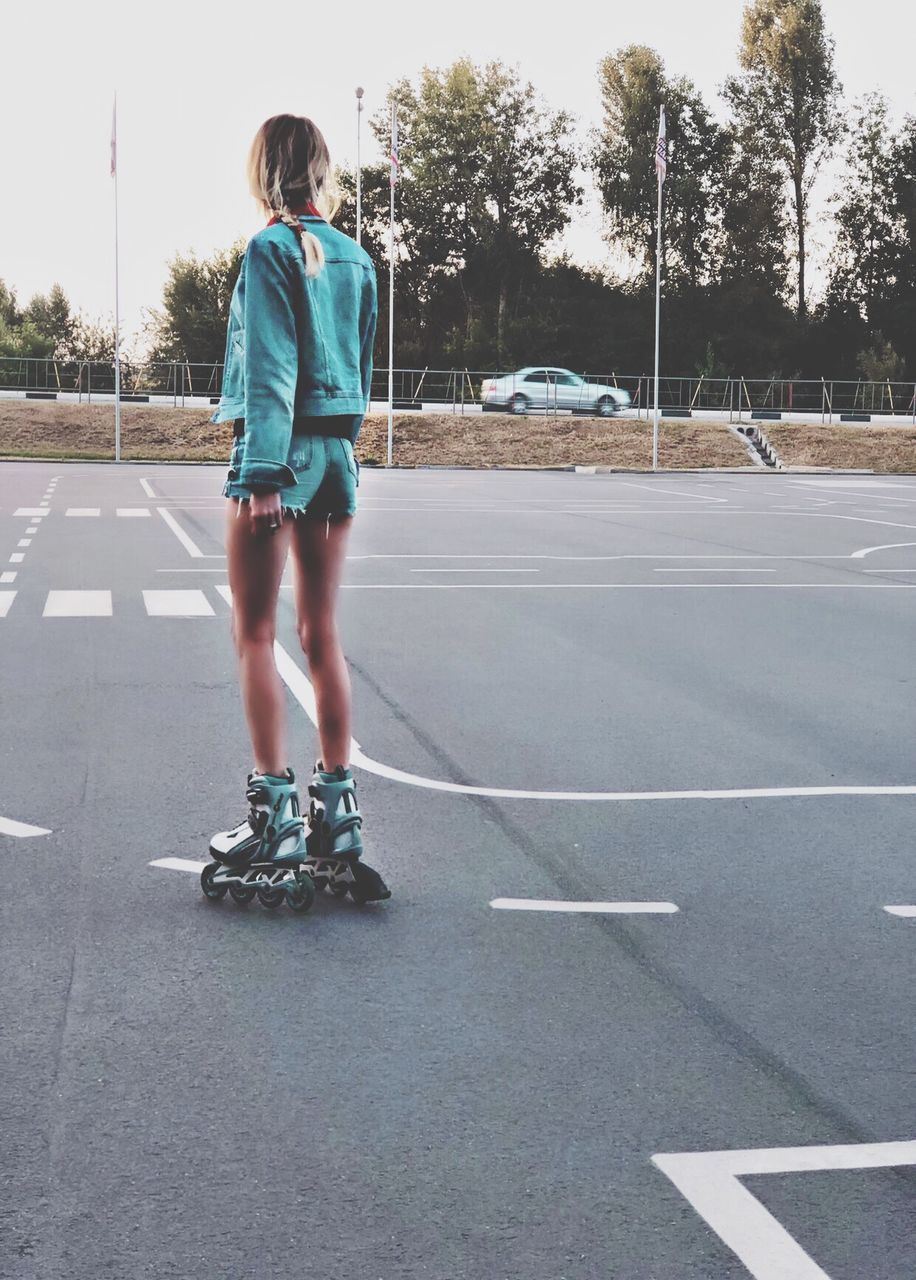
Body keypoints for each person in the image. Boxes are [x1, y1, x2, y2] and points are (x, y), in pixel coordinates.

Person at [207, 113, 389, 904]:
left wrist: (266, 476)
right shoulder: (357, 259)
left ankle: (274, 812)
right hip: (339, 457)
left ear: (264, 171)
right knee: (322, 634)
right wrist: (335, 453)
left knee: (254, 631)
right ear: (319, 171)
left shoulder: (268, 249)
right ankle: (339, 812)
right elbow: (362, 370)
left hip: (280, 457)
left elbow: (272, 371)